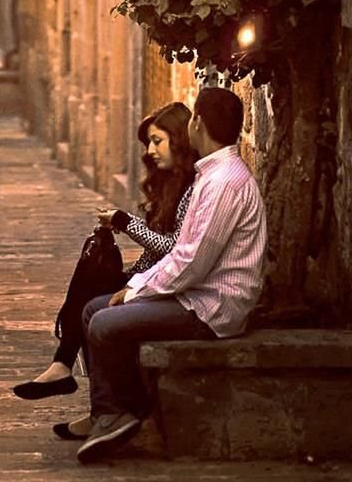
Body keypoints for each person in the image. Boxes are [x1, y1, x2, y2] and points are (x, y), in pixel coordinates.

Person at [74, 87, 267, 464]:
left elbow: (192, 262)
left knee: (103, 324)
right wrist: (134, 285)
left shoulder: (225, 181)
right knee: (91, 309)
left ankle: (127, 415)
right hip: (193, 294)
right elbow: (182, 254)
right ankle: (109, 414)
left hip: (211, 307)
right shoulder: (209, 175)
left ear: (199, 123)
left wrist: (135, 293)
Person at [12, 103, 197, 433]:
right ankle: (79, 385)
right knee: (92, 264)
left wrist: (125, 223)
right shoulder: (168, 183)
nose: (151, 150)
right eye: (149, 144)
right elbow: (158, 248)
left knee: (94, 301)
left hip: (168, 288)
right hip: (150, 277)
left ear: (179, 141)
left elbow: (173, 249)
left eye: (158, 141)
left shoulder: (192, 190)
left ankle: (69, 371)